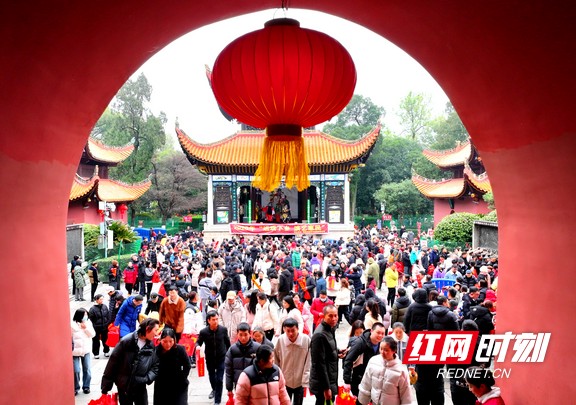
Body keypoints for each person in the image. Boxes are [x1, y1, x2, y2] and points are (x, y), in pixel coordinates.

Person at [102, 318, 160, 405]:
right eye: (155, 330)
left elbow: (155, 365)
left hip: (140, 386)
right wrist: (106, 387)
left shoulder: (151, 345)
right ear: (147, 328)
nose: (156, 334)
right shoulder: (126, 342)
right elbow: (112, 364)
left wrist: (147, 378)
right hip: (124, 386)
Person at [358, 336, 413, 405]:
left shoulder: (401, 370)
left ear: (394, 351)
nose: (382, 352)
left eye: (386, 350)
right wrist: (363, 400)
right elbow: (366, 382)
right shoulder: (373, 361)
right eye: (381, 349)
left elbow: (406, 394)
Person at [309, 305, 346, 405]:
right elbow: (319, 364)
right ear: (324, 316)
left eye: (335, 315)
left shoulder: (330, 328)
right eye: (330, 316)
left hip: (330, 378)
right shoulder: (320, 335)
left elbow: (327, 350)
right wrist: (326, 388)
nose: (333, 318)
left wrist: (337, 352)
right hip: (323, 383)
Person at [274, 318, 312, 405]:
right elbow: (276, 360)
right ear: (284, 330)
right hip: (285, 380)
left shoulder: (306, 340)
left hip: (300, 380)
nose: (290, 333)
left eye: (293, 330)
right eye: (288, 331)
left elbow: (309, 360)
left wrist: (306, 378)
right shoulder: (280, 340)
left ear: (298, 329)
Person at [342, 322, 386, 397]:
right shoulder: (360, 343)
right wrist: (347, 381)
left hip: (373, 382)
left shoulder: (382, 344)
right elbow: (348, 360)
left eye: (383, 333)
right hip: (358, 381)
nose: (380, 335)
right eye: (378, 332)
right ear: (371, 331)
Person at [196, 311, 231, 405]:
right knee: (212, 377)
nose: (215, 321)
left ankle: (217, 400)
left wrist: (229, 354)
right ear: (208, 320)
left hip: (221, 358)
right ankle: (214, 389)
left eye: (217, 319)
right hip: (210, 358)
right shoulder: (204, 332)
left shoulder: (223, 330)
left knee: (219, 379)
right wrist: (198, 346)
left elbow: (228, 343)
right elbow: (198, 342)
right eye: (213, 320)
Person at [153, 327, 191, 405]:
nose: (168, 344)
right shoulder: (156, 351)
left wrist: (183, 377)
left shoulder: (180, 349)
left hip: (178, 384)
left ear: (174, 340)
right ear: (160, 340)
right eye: (165, 341)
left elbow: (187, 365)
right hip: (162, 385)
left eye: (171, 341)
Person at [225, 322, 260, 398]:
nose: (243, 338)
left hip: (254, 383)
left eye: (245, 334)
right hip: (239, 383)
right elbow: (228, 370)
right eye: (240, 335)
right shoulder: (232, 349)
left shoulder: (257, 348)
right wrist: (229, 388)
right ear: (237, 334)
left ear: (250, 334)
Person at [72, 308, 95, 395]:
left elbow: (93, 334)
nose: (85, 316)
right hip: (75, 351)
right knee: (76, 370)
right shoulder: (72, 325)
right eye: (84, 315)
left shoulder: (88, 323)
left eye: (86, 315)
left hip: (85, 350)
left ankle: (86, 386)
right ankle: (76, 387)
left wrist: (86, 328)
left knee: (87, 369)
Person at [88, 294, 111, 359]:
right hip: (96, 328)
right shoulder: (92, 309)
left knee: (105, 339)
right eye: (100, 299)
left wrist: (107, 323)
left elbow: (108, 315)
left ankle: (106, 351)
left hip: (105, 326)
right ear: (97, 300)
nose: (102, 300)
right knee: (95, 340)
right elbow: (91, 318)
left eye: (102, 299)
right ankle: (96, 353)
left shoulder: (105, 306)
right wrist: (94, 325)